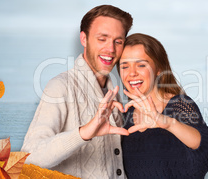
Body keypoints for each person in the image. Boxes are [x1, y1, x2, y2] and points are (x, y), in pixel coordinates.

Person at [21, 5, 133, 179]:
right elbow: (29, 158)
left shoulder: (114, 93)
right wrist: (84, 133)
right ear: (84, 39)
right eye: (102, 39)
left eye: (118, 41)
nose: (111, 49)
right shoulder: (60, 87)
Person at [118, 33, 208, 178]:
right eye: (125, 66)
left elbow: (206, 146)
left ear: (158, 69)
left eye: (141, 65)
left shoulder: (179, 104)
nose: (132, 73)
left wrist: (167, 123)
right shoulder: (125, 116)